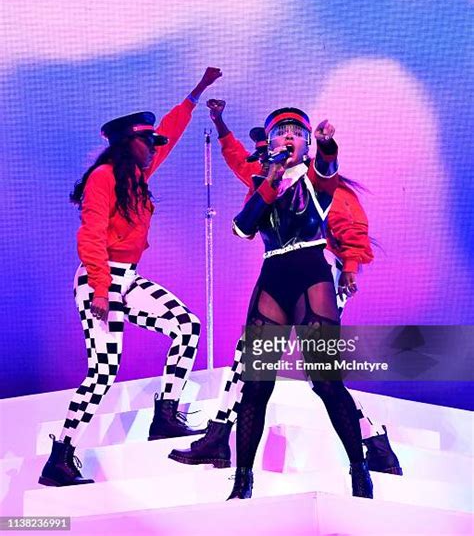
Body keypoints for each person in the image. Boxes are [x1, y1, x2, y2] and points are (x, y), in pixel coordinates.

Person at [169, 100, 402, 481]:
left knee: (322, 376)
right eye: (275, 139)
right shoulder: (267, 180)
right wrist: (221, 124)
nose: (279, 144)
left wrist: (352, 269)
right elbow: (240, 173)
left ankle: (372, 443)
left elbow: (349, 224)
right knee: (253, 367)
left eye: (292, 136)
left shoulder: (323, 183)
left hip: (324, 273)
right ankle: (222, 438)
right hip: (280, 273)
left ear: (306, 143)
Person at [38, 67, 222, 487]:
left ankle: (166, 413)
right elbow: (91, 234)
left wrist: (196, 92)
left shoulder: (137, 177)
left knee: (186, 325)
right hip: (99, 281)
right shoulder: (105, 178)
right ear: (127, 144)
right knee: (102, 373)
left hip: (127, 280)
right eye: (147, 141)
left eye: (154, 141)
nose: (155, 147)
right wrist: (102, 291)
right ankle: (60, 457)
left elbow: (171, 134)